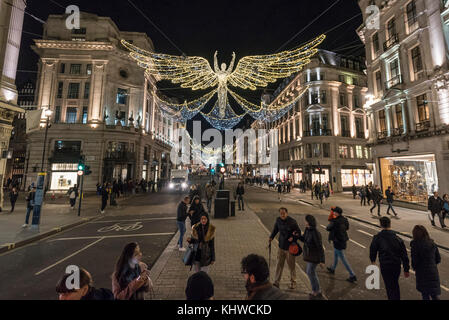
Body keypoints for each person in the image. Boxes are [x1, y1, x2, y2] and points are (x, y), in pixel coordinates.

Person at [369, 217, 410, 300]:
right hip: (396, 265)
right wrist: (406, 269)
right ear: (390, 224)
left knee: (388, 285)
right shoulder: (398, 239)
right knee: (395, 283)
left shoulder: (377, 237)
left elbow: (373, 249)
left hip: (385, 265)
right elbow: (404, 255)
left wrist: (373, 260)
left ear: (381, 225)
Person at [269, 207, 301, 289]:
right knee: (279, 265)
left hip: (290, 248)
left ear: (287, 213)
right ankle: (276, 282)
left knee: (291, 266)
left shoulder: (292, 222)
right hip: (281, 246)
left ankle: (293, 282)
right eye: (281, 213)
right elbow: (275, 229)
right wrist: (271, 237)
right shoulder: (278, 220)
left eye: (284, 213)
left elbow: (299, 233)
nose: (282, 215)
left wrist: (293, 238)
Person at [326, 206, 357, 283]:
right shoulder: (345, 219)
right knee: (336, 255)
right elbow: (347, 228)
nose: (333, 212)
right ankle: (332, 268)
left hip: (337, 241)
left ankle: (352, 275)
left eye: (334, 212)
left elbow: (328, 228)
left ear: (337, 213)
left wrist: (332, 221)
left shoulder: (335, 221)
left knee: (343, 259)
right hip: (343, 240)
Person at [411, 225, 441, 300]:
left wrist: (415, 268)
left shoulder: (415, 245)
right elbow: (438, 259)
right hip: (433, 272)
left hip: (422, 273)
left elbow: (415, 261)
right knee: (434, 295)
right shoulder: (432, 243)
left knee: (425, 295)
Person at [298, 215, 325, 300]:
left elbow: (320, 247)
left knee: (310, 271)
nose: (304, 222)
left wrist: (322, 260)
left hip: (315, 255)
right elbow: (304, 240)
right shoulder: (307, 229)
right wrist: (298, 236)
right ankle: (316, 290)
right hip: (309, 255)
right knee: (311, 272)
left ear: (309, 222)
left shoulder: (315, 233)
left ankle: (316, 291)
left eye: (305, 221)